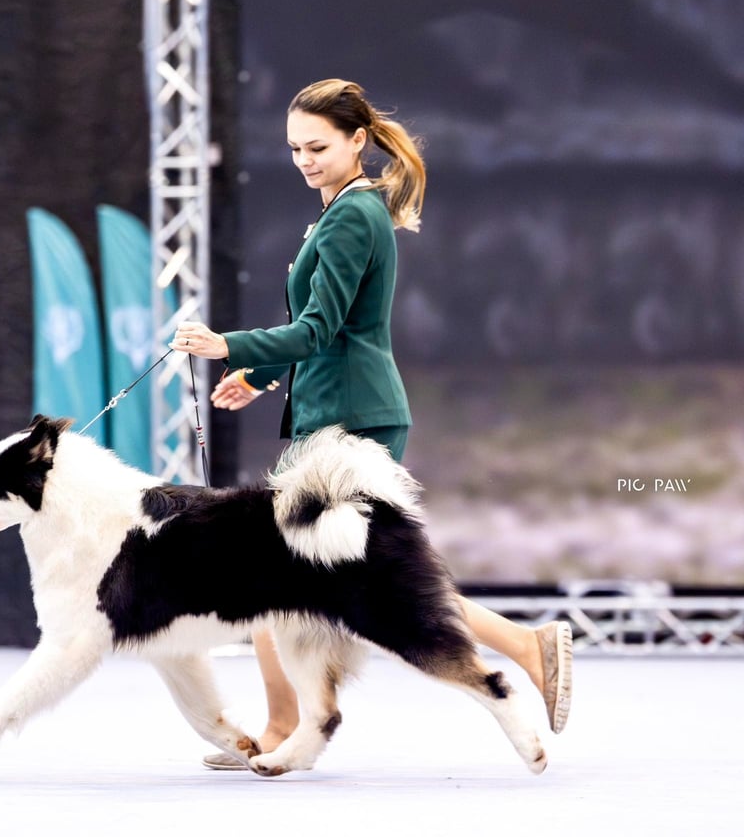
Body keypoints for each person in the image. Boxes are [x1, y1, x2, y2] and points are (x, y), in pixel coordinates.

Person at [170, 78, 572, 769]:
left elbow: (321, 327)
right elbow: (329, 330)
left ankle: (517, 650)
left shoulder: (354, 215)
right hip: (334, 413)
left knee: (346, 581)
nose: (304, 159)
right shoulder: (338, 211)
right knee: (305, 581)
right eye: (294, 148)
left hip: (353, 423)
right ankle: (288, 727)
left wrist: (228, 345)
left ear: (358, 140)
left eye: (318, 146)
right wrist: (260, 376)